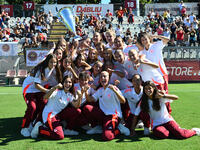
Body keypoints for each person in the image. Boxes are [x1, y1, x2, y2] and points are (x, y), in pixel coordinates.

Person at [131, 81, 200, 139]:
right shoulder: (143, 101)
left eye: (150, 88)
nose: (148, 90)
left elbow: (176, 97)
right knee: (163, 135)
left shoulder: (159, 97)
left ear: (154, 88)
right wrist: (132, 130)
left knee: (182, 135)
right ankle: (174, 131)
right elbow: (135, 115)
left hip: (167, 120)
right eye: (146, 89)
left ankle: (194, 131)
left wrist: (163, 96)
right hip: (156, 124)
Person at [20, 54, 62, 137]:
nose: (53, 64)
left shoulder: (54, 70)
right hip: (29, 89)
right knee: (32, 107)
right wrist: (47, 90)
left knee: (43, 105)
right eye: (51, 62)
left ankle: (34, 123)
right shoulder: (41, 69)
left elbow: (55, 82)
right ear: (47, 62)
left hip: (39, 90)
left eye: (55, 62)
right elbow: (36, 85)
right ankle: (24, 127)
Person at [30, 75, 84, 139]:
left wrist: (80, 97)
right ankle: (40, 129)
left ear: (72, 84)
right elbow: (45, 97)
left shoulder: (70, 95)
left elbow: (76, 106)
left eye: (70, 82)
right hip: (50, 115)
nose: (68, 84)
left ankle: (68, 129)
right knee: (59, 135)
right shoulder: (57, 91)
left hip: (58, 115)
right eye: (66, 82)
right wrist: (55, 87)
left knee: (77, 111)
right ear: (62, 83)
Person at [83, 71, 130, 141]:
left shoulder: (113, 88)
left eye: (105, 76)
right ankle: (99, 127)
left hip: (113, 115)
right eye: (101, 77)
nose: (103, 78)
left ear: (109, 78)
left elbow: (123, 101)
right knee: (87, 108)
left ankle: (120, 129)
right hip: (103, 116)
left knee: (107, 137)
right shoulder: (100, 90)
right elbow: (90, 99)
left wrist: (115, 90)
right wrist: (86, 92)